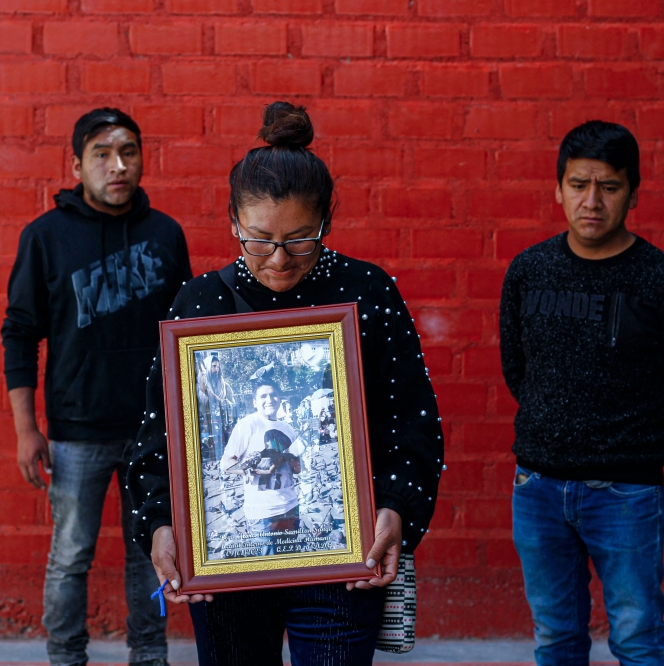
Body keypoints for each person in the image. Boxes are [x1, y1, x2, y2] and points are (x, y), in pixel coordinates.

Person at [127, 102, 444, 665]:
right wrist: (159, 524)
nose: (278, 259)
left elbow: (413, 420)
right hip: (227, 568)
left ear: (326, 221)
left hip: (341, 570)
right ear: (232, 223)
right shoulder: (201, 303)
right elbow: (158, 436)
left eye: (301, 239)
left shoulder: (366, 292)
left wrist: (396, 508)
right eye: (258, 239)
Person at [499, 121, 664, 666]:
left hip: (626, 495)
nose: (591, 201)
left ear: (633, 193)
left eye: (609, 187)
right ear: (559, 189)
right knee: (555, 639)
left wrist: (637, 454)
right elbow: (517, 370)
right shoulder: (528, 271)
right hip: (538, 488)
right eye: (578, 185)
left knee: (638, 640)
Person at [1, 107, 192, 666]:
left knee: (149, 553)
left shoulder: (164, 234)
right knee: (70, 555)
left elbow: (182, 333)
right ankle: (65, 658)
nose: (118, 166)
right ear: (77, 165)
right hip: (76, 429)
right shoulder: (44, 237)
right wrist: (25, 429)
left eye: (129, 152)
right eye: (102, 155)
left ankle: (149, 656)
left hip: (150, 430)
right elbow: (19, 335)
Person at [220, 379, 304, 556]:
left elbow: (297, 470)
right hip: (262, 513)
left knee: (293, 564)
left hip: (290, 507)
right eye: (263, 396)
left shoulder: (288, 428)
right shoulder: (247, 424)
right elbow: (225, 464)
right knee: (267, 568)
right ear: (255, 402)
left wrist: (290, 457)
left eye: (274, 395)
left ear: (280, 399)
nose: (270, 399)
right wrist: (251, 467)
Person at [200, 354, 237, 460]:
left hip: (223, 423)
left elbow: (231, 404)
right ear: (207, 367)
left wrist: (224, 403)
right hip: (207, 425)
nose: (216, 369)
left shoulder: (225, 386)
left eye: (218, 366)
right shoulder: (201, 388)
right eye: (213, 366)